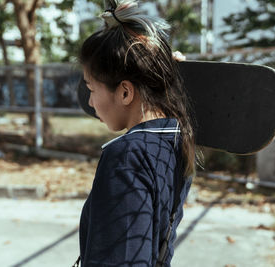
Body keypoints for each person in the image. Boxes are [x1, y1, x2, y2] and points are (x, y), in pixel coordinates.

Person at [75, 0, 197, 266]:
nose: (91, 103)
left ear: (126, 92)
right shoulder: (176, 140)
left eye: (92, 89)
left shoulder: (128, 156)